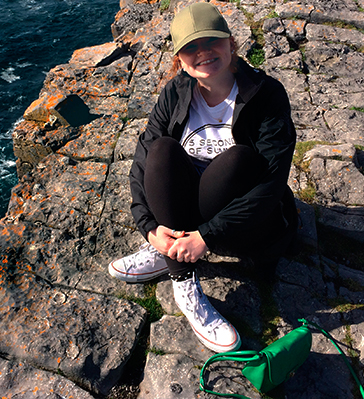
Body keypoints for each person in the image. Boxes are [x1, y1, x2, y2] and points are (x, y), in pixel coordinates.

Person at [108, 2, 297, 353]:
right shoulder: (176, 92)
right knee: (161, 150)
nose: (204, 53)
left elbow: (271, 184)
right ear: (179, 58)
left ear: (230, 43)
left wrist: (205, 238)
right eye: (191, 47)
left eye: (212, 41)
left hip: (243, 224)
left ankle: (178, 253)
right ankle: (177, 268)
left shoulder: (266, 95)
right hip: (188, 211)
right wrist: (148, 226)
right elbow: (142, 158)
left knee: (239, 158)